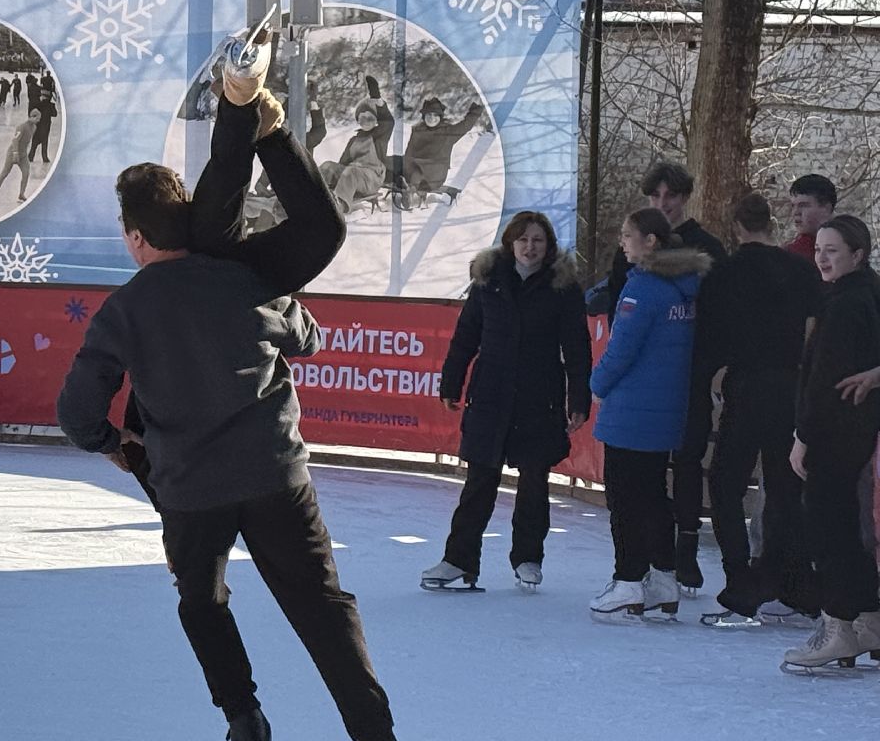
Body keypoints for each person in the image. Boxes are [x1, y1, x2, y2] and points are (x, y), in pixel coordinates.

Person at [56, 56, 395, 741]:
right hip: (275, 475)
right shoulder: (246, 277)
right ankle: (372, 730)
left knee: (201, 600)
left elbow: (76, 408)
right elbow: (306, 335)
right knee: (322, 608)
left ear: (135, 237)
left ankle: (243, 715)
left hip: (190, 487)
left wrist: (112, 443)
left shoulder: (126, 309)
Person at [423, 211, 592, 592]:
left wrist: (578, 397)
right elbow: (466, 335)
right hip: (491, 394)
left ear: (548, 246)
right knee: (480, 481)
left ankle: (528, 558)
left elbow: (577, 347)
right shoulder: (488, 283)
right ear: (510, 244)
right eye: (523, 240)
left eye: (538, 240)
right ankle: (458, 560)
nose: (530, 247)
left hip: (540, 396)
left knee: (534, 481)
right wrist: (452, 381)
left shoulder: (562, 287)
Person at [693, 192, 822, 626]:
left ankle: (740, 577)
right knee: (785, 489)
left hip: (745, 385)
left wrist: (713, 379)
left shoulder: (724, 274)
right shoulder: (800, 269)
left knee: (727, 483)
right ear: (771, 223)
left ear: (736, 227)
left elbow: (708, 338)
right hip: (789, 385)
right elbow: (812, 330)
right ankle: (787, 579)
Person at [604, 160, 726, 594]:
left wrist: (599, 382)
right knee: (652, 481)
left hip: (678, 379)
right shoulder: (631, 258)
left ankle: (669, 563)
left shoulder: (704, 250)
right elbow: (616, 297)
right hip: (651, 383)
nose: (662, 203)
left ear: (685, 198)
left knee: (676, 469)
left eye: (670, 195)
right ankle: (662, 568)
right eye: (655, 196)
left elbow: (711, 321)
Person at [588, 207, 710, 619]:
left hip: (632, 411)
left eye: (628, 235)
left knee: (624, 498)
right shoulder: (682, 288)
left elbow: (622, 349)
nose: (622, 242)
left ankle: (627, 580)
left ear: (650, 241)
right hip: (663, 410)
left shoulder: (643, 289)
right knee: (655, 495)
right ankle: (663, 578)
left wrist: (596, 384)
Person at [781, 216, 880, 670]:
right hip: (854, 430)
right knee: (842, 526)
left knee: (829, 527)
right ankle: (868, 618)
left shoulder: (847, 303)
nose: (821, 257)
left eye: (832, 250)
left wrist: (803, 436)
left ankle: (838, 625)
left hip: (836, 432)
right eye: (819, 249)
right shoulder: (862, 293)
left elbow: (823, 380)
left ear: (857, 255)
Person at [395, 97, 485, 208]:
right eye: (429, 115)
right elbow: (409, 152)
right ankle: (410, 190)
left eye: (435, 115)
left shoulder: (447, 132)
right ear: (424, 117)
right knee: (399, 162)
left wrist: (475, 110)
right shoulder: (418, 131)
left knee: (418, 171)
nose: (432, 119)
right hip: (415, 170)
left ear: (440, 117)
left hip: (434, 174)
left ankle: (411, 191)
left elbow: (465, 125)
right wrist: (406, 168)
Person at [318, 109, 386, 214]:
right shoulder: (354, 140)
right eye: (363, 119)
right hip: (354, 174)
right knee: (328, 166)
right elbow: (343, 162)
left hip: (372, 177)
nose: (366, 122)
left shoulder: (380, 138)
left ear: (376, 121)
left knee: (351, 171)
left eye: (370, 119)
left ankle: (339, 205)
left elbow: (389, 123)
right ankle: (313, 196)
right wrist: (335, 173)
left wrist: (376, 97)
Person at [0, 108, 40, 203]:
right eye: (37, 118)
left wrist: (24, 153)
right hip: (13, 153)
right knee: (5, 173)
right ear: (32, 116)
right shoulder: (21, 127)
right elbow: (15, 140)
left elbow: (27, 141)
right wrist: (15, 153)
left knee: (26, 173)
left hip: (23, 155)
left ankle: (21, 194)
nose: (38, 121)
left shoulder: (34, 128)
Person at [786, 174, 837, 258]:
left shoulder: (846, 247)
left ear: (826, 208)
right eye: (793, 206)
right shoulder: (791, 252)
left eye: (803, 205)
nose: (795, 212)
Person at [28, 91, 57, 164]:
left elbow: (32, 113)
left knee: (34, 142)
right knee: (45, 142)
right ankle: (45, 157)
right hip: (46, 126)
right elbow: (54, 114)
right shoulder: (51, 105)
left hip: (38, 126)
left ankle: (31, 157)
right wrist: (53, 106)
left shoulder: (38, 104)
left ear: (44, 97)